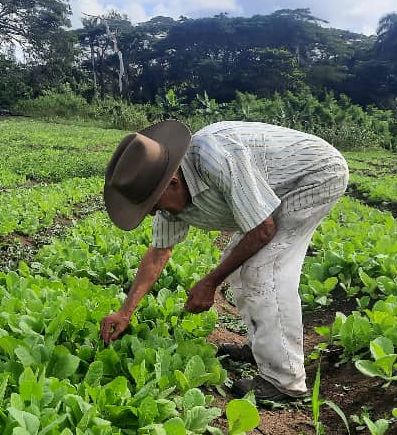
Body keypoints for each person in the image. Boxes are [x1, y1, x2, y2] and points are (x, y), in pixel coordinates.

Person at [99, 119, 348, 401]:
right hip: (272, 185)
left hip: (315, 175)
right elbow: (159, 252)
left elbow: (263, 229)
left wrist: (210, 282)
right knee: (240, 266)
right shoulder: (167, 199)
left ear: (173, 182)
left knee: (261, 270)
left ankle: (285, 381)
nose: (155, 213)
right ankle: (262, 350)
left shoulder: (216, 157)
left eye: (154, 205)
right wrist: (125, 311)